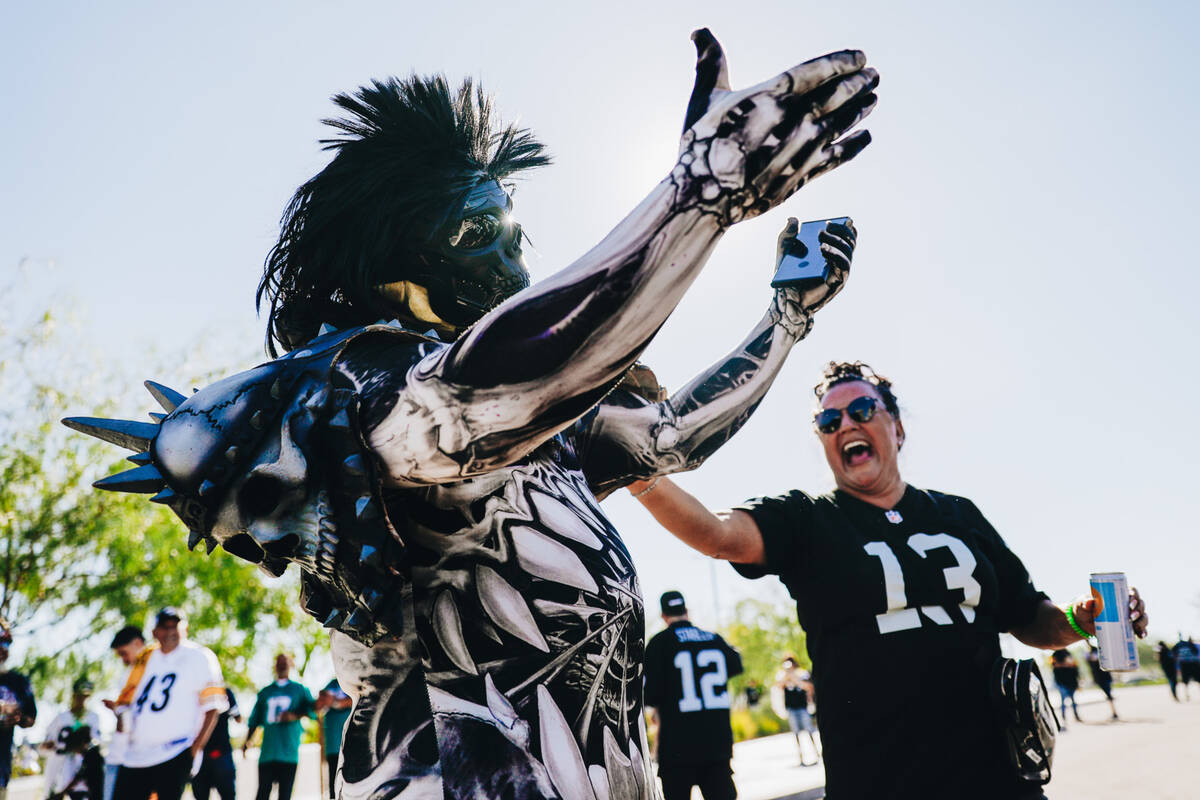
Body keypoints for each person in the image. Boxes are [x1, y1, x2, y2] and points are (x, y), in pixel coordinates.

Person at [63, 29, 878, 797]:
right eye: (481, 234)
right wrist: (698, 199)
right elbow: (484, 394)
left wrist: (787, 317)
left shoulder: (536, 426)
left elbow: (670, 439)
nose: (519, 262)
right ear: (401, 264)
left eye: (514, 233)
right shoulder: (362, 392)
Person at [628, 361, 1150, 800]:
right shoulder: (808, 520)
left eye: (861, 411)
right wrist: (638, 473)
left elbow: (1029, 617)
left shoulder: (959, 515)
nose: (845, 425)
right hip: (876, 781)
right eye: (829, 421)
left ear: (897, 429)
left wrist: (1083, 621)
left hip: (996, 778)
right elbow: (718, 534)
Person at [111, 608, 227, 800]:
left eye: (176, 625)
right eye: (165, 626)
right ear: (155, 632)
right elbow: (127, 702)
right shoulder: (144, 659)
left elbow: (213, 707)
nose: (171, 631)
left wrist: (194, 750)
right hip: (135, 756)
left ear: (186, 628)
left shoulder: (199, 656)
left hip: (175, 752)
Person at [644, 591, 743, 800]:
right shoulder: (714, 639)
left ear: (663, 616)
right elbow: (736, 664)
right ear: (686, 612)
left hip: (678, 747)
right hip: (717, 742)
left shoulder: (659, 644)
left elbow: (650, 695)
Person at [243, 654, 314, 800]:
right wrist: (247, 742)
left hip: (288, 752)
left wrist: (294, 715)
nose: (282, 665)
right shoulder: (265, 692)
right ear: (275, 666)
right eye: (279, 662)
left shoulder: (299, 689)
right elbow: (255, 720)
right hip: (268, 752)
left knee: (285, 794)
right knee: (263, 792)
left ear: (291, 665)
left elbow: (312, 710)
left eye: (285, 662)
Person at [102, 626, 146, 800]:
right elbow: (128, 717)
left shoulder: (157, 670)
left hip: (138, 757)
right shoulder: (127, 676)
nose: (123, 659)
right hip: (122, 754)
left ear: (137, 643)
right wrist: (116, 709)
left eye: (123, 653)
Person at [41, 678, 101, 799]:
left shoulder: (93, 718)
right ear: (73, 695)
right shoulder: (61, 719)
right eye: (79, 696)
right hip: (59, 772)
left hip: (81, 778)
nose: (81, 700)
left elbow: (96, 745)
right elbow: (43, 748)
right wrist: (48, 746)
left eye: (85, 697)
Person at [0, 622, 36, 800]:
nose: (1, 649)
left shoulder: (19, 682)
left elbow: (30, 718)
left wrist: (17, 717)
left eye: (5, 643)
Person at [190, 687, 240, 800]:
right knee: (228, 795)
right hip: (219, 753)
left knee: (201, 795)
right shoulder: (224, 691)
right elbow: (238, 718)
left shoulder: (193, 693)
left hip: (198, 754)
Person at [774, 655, 819, 764]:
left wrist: (794, 678)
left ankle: (816, 754)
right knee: (796, 734)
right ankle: (801, 758)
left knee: (809, 732)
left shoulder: (802, 674)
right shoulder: (782, 675)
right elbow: (778, 686)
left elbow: (809, 687)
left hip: (803, 707)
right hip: (791, 709)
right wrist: (786, 676)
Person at [314, 679, 352, 798]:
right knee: (334, 787)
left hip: (352, 745)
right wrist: (323, 700)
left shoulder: (353, 682)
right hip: (333, 746)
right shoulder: (330, 685)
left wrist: (335, 702)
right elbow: (317, 707)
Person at [1084, 643, 1119, 720]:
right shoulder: (1088, 654)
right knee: (1108, 694)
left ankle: (1114, 712)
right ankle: (1114, 711)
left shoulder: (1095, 652)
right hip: (1101, 677)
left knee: (1108, 694)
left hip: (1103, 676)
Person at [1049, 649, 1081, 727]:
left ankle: (1076, 716)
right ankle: (1063, 718)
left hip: (1072, 681)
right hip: (1061, 682)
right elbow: (1054, 665)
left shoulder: (1068, 653)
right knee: (1063, 701)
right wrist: (1066, 664)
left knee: (1073, 701)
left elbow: (1074, 665)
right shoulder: (1055, 654)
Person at [1172, 636, 1200, 700]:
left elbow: (1175, 657)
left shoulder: (1179, 647)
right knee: (1195, 680)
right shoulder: (1193, 645)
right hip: (1192, 664)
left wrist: (1178, 667)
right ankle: (1187, 694)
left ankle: (1186, 694)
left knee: (1186, 681)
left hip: (1185, 665)